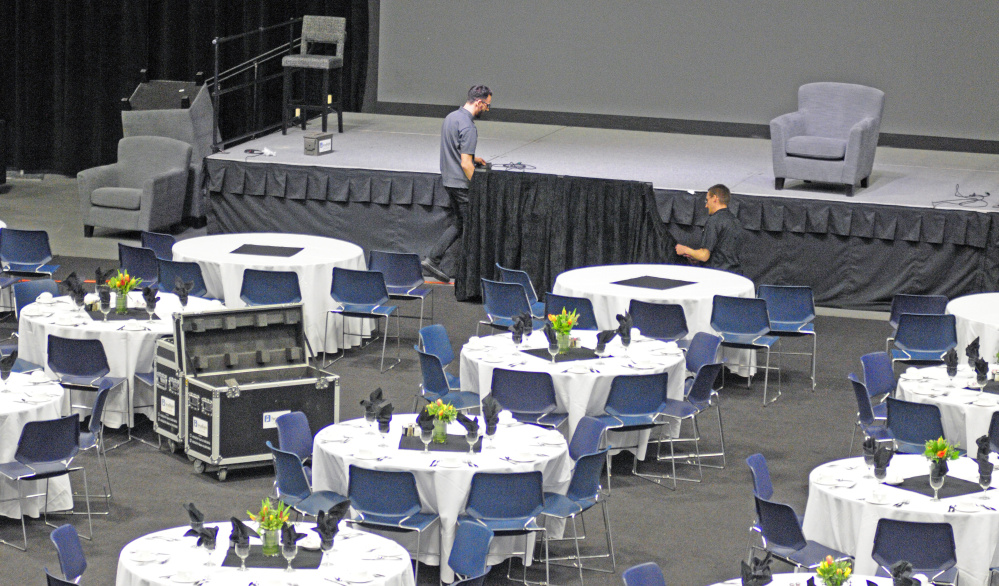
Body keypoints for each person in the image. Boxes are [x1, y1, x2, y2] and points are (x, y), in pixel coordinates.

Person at [421, 85, 492, 282]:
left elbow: (456, 149)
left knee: (460, 223)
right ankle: (469, 275)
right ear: (479, 102)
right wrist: (478, 187)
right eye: (487, 106)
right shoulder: (469, 127)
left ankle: (432, 260)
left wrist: (473, 157)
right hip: (462, 184)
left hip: (449, 180)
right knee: (473, 227)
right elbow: (465, 163)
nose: (486, 110)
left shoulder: (451, 117)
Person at [674, 184, 742, 273]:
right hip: (735, 274)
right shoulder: (736, 221)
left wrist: (685, 250)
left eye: (707, 200)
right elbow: (724, 253)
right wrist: (695, 256)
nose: (706, 205)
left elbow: (704, 256)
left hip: (718, 276)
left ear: (715, 198)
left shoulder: (714, 220)